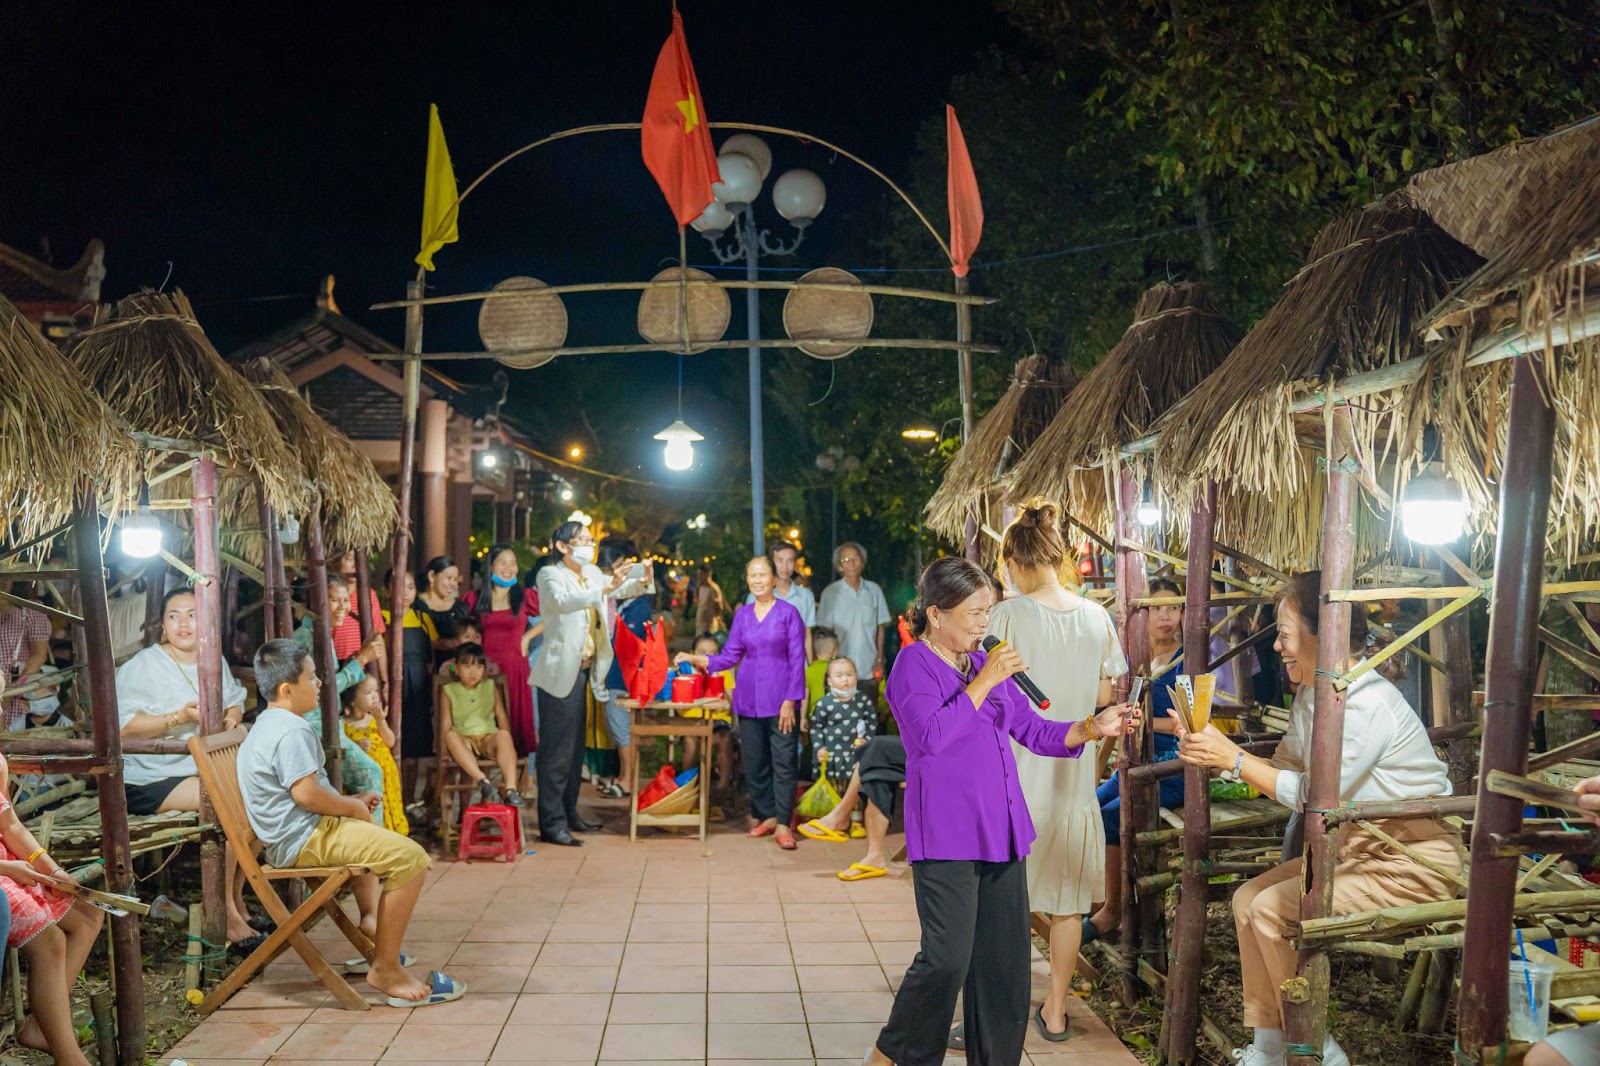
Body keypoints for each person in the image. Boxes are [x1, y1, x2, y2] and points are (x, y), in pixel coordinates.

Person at [1173, 571, 1456, 1066]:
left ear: (1323, 633)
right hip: (1353, 850)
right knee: (1245, 899)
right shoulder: (1313, 694)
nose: (1278, 646)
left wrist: (1232, 759)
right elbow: (1284, 766)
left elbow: (1313, 795)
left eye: (1284, 632)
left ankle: (1319, 1048)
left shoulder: (1366, 700)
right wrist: (1214, 747)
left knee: (1272, 909)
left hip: (1412, 860)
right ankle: (1269, 1048)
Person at [863, 557, 1132, 1066]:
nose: (984, 624)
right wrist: (985, 679)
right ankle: (893, 1055)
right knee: (946, 960)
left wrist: (1095, 727)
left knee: (1002, 966)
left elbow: (1034, 730)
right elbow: (930, 737)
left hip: (1003, 829)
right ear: (936, 614)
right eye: (973, 613)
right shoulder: (912, 666)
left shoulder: (981, 663)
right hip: (945, 833)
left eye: (988, 612)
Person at [241, 638, 460, 1006]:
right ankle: (386, 968)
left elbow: (304, 792)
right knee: (412, 859)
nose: (320, 684)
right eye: (312, 678)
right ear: (286, 688)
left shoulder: (270, 723)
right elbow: (306, 795)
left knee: (392, 846)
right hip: (304, 838)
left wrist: (349, 802)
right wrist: (349, 808)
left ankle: (378, 940)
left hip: (299, 832)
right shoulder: (290, 730)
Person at [986, 500, 1127, 1043]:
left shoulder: (1007, 614)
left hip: (1014, 781)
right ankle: (1056, 1010)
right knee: (1068, 905)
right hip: (1075, 782)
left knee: (1005, 905)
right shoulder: (1096, 617)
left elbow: (988, 693)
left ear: (1014, 563)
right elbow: (1102, 697)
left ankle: (998, 1011)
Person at [116, 588, 259, 945]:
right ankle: (221, 911)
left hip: (201, 770)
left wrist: (231, 718)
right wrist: (176, 717)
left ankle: (235, 898)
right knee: (231, 803)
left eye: (192, 615)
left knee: (257, 799)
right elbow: (121, 724)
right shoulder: (143, 665)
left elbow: (235, 701)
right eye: (174, 615)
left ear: (205, 623)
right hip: (150, 776)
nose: (183, 623)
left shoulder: (212, 660)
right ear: (162, 626)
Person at [675, 555, 808, 850]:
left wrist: (791, 700)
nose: (758, 580)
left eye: (763, 574)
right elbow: (729, 656)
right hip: (748, 699)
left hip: (780, 700)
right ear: (747, 580)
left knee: (784, 763)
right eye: (752, 575)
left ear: (773, 578)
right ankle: (767, 815)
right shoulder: (744, 615)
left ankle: (784, 824)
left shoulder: (789, 613)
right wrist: (696, 657)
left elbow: (798, 660)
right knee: (754, 762)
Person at [1087, 576, 1187, 942]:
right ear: (1142, 614)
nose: (1166, 616)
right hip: (1134, 760)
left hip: (1173, 764)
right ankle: (1096, 898)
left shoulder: (1185, 660)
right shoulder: (1132, 656)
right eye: (1157, 608)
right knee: (1090, 806)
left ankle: (1114, 910)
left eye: (1174, 607)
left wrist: (1146, 719)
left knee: (1114, 815)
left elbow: (1190, 722)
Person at [531, 521, 639, 846]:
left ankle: (569, 812)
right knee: (556, 751)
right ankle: (551, 824)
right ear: (562, 546)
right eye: (581, 540)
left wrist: (635, 578)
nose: (588, 545)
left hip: (586, 671)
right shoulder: (550, 575)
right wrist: (604, 588)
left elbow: (617, 591)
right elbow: (565, 602)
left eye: (591, 540)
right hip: (559, 670)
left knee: (576, 749)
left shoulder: (591, 573)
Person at [0, 750, 103, 1066]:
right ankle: (69, 1057)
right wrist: (7, 869)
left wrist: (52, 871)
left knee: (89, 915)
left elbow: (12, 827)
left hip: (12, 866)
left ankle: (40, 1026)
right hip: (3, 874)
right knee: (51, 941)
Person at [463, 544, 540, 758]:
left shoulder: (525, 596)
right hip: (483, 669)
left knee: (516, 721)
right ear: (491, 567)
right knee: (485, 722)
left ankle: (523, 778)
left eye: (513, 563)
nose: (509, 568)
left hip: (515, 666)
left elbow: (555, 615)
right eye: (503, 563)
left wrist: (527, 637)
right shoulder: (474, 598)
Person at [798, 735, 905, 880]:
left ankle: (840, 816)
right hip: (931, 742)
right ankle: (874, 856)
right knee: (876, 772)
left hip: (942, 750)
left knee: (877, 749)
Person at [599, 537, 654, 799]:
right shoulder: (619, 601)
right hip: (614, 674)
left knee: (621, 729)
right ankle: (624, 776)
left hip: (622, 677)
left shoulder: (638, 606)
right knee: (618, 728)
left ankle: (629, 780)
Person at [440, 643, 522, 806]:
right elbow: (446, 722)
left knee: (504, 735)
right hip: (465, 741)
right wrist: (443, 751)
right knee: (450, 735)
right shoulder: (449, 690)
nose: (473, 672)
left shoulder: (489, 686)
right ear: (456, 668)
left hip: (488, 738)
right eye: (467, 666)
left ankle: (511, 789)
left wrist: (508, 744)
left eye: (478, 666)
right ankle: (482, 781)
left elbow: (500, 715)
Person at [384, 569, 438, 809]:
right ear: (387, 590)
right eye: (398, 586)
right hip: (391, 688)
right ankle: (393, 801)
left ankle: (409, 801)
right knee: (394, 746)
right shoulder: (381, 618)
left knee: (415, 751)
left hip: (418, 689)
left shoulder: (422, 618)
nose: (405, 593)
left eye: (410, 587)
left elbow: (431, 658)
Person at [817, 542, 891, 695]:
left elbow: (880, 629)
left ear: (862, 562)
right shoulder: (830, 593)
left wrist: (879, 660)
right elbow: (825, 633)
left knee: (869, 715)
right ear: (839, 566)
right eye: (845, 559)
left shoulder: (874, 590)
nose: (851, 563)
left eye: (855, 558)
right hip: (839, 672)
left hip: (868, 668)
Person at [341, 674, 408, 834]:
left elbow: (390, 741)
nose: (374, 696)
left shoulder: (374, 720)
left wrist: (380, 720)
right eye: (368, 692)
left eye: (375, 691)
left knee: (389, 804)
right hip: (366, 779)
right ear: (352, 699)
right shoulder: (343, 726)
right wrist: (357, 747)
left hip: (386, 774)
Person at [680, 632, 735, 811]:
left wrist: (718, 678)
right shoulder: (686, 671)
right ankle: (688, 785)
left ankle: (722, 786)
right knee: (690, 740)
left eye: (712, 653)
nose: (706, 657)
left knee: (724, 737)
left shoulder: (723, 672)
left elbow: (729, 704)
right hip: (692, 719)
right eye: (702, 652)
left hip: (717, 720)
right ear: (692, 652)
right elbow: (680, 708)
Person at [806, 656, 876, 783]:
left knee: (854, 790)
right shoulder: (824, 703)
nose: (845, 679)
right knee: (832, 789)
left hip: (855, 754)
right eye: (839, 676)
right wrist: (819, 748)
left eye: (849, 674)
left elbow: (871, 722)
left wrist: (866, 740)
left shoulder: (863, 700)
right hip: (831, 756)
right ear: (829, 681)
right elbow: (816, 728)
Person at [332, 551, 387, 694]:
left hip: (363, 665)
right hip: (333, 664)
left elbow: (377, 636)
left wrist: (384, 679)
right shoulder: (326, 594)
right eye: (350, 559)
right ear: (335, 561)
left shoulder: (369, 596)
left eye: (359, 560)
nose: (354, 566)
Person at [749, 541, 815, 659]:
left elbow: (807, 635)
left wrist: (810, 666)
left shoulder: (806, 596)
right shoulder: (755, 596)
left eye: (790, 561)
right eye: (779, 560)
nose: (785, 567)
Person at [0, 587, 51, 731]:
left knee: (10, 740)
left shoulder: (29, 610)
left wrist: (16, 688)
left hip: (16, 685)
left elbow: (39, 655)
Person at [416, 555, 469, 669]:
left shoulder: (460, 608)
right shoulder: (415, 606)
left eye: (455, 580)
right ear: (432, 576)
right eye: (449, 578)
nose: (453, 584)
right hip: (420, 669)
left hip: (454, 671)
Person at [804, 626, 840, 716]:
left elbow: (805, 697)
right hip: (837, 714)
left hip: (815, 716)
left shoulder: (808, 671)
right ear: (832, 652)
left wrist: (803, 718)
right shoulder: (838, 669)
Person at [694, 565, 726, 635]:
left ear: (707, 575)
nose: (698, 577)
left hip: (710, 623)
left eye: (700, 575)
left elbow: (719, 607)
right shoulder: (700, 587)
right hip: (700, 623)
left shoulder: (713, 588)